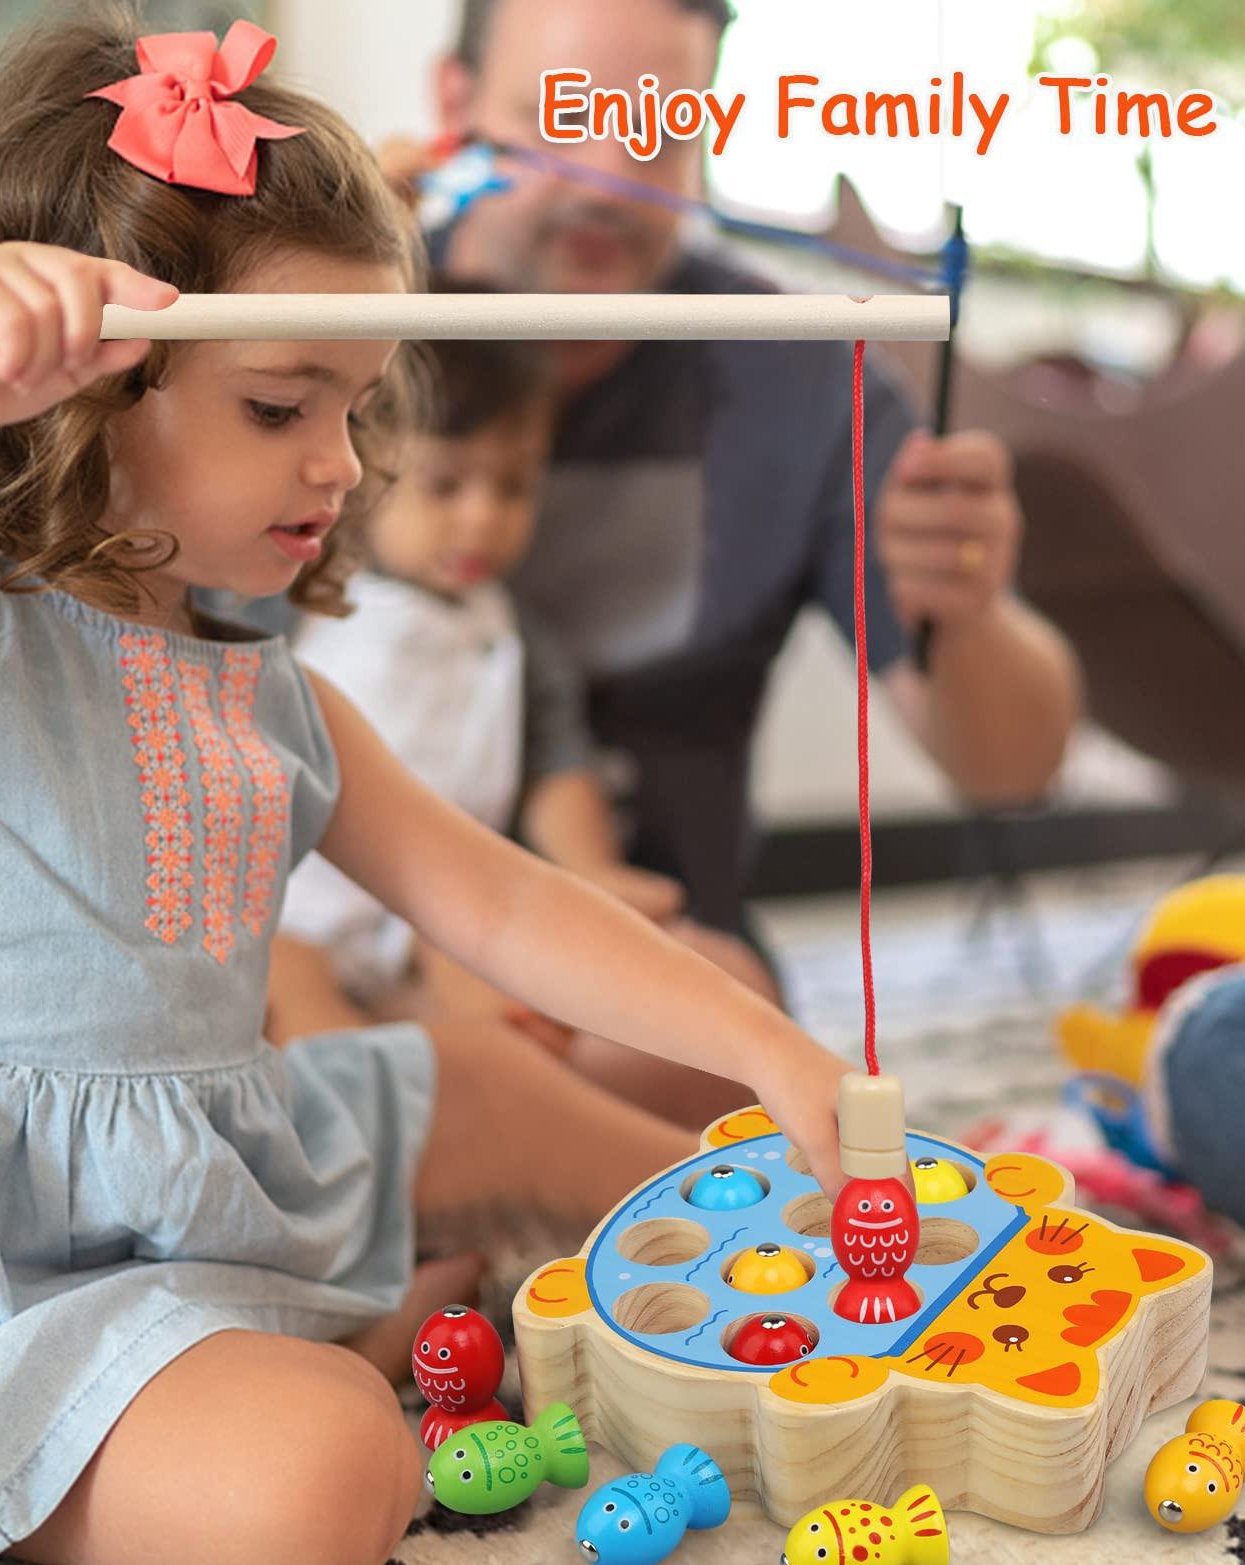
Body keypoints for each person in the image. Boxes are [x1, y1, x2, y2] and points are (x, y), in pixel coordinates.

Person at [0, 11, 854, 1565]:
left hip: (200, 1170)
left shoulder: (270, 690)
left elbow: (499, 905)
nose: (346, 465)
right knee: (329, 1475)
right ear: (82, 388)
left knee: (468, 1076)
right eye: (280, 409)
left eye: (359, 411)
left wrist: (767, 1048)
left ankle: (476, 1284)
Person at [375, 0, 1085, 1005]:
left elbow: (1014, 767)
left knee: (718, 1024)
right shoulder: (348, 317)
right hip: (333, 944)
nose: (612, 183)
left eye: (661, 133)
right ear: (455, 105)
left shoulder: (796, 374)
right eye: (565, 119)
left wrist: (963, 611)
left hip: (638, 967)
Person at [269, 300, 772, 1124]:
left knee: (682, 992)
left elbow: (556, 770)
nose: (482, 516)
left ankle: (477, 1158)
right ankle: (375, 1190)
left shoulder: (513, 636)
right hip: (291, 922)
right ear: (356, 463)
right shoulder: (301, 595)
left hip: (448, 918)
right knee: (313, 1055)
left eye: (513, 485)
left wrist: (593, 882)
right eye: (444, 484)